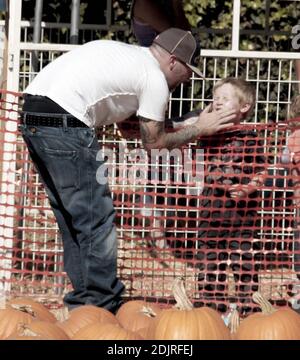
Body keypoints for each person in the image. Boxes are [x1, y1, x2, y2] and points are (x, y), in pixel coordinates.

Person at [19, 28, 239, 312]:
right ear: (174, 61)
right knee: (97, 220)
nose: (187, 79)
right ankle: (100, 306)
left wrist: (187, 125)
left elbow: (131, 128)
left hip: (34, 116)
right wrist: (200, 128)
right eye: (188, 71)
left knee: (73, 219)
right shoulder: (155, 79)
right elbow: (155, 143)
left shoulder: (129, 57)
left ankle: (84, 305)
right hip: (66, 122)